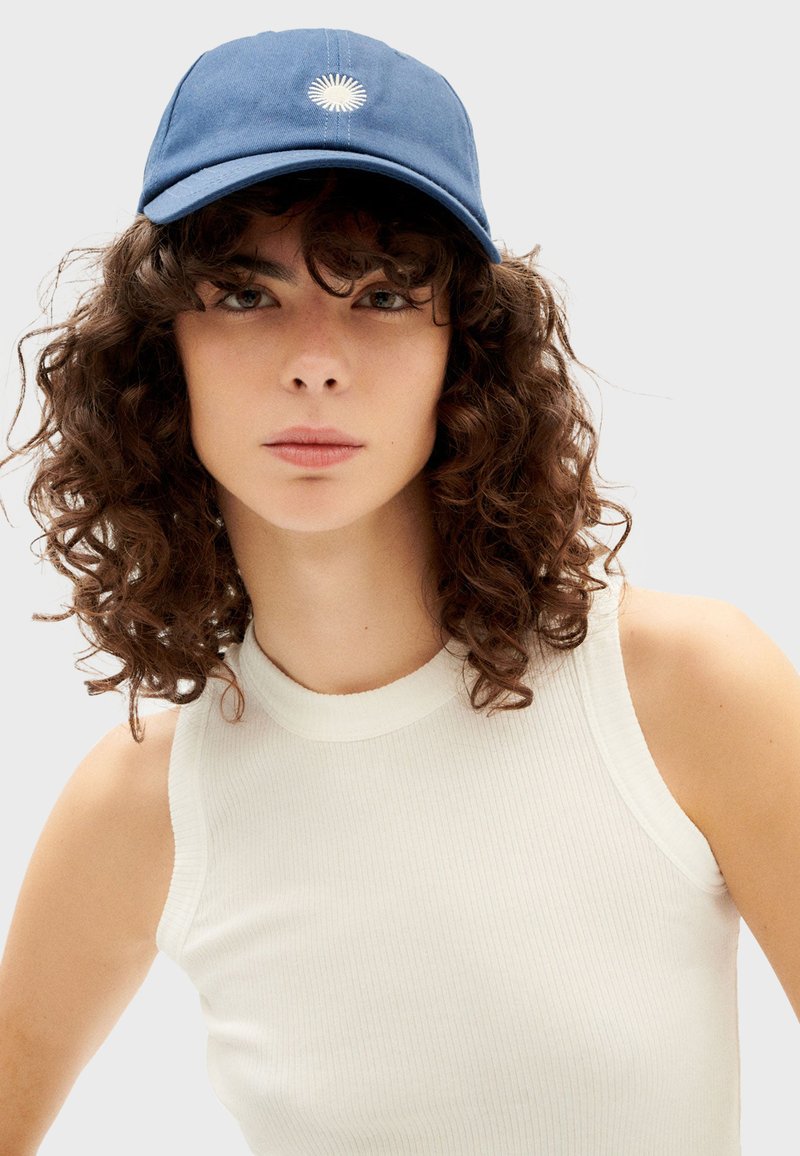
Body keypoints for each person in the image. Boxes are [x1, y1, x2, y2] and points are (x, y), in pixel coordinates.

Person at [0, 26, 797, 1156]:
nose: (315, 359)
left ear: (461, 350)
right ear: (157, 352)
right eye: (245, 293)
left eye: (380, 294)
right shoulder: (144, 806)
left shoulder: (682, 694)